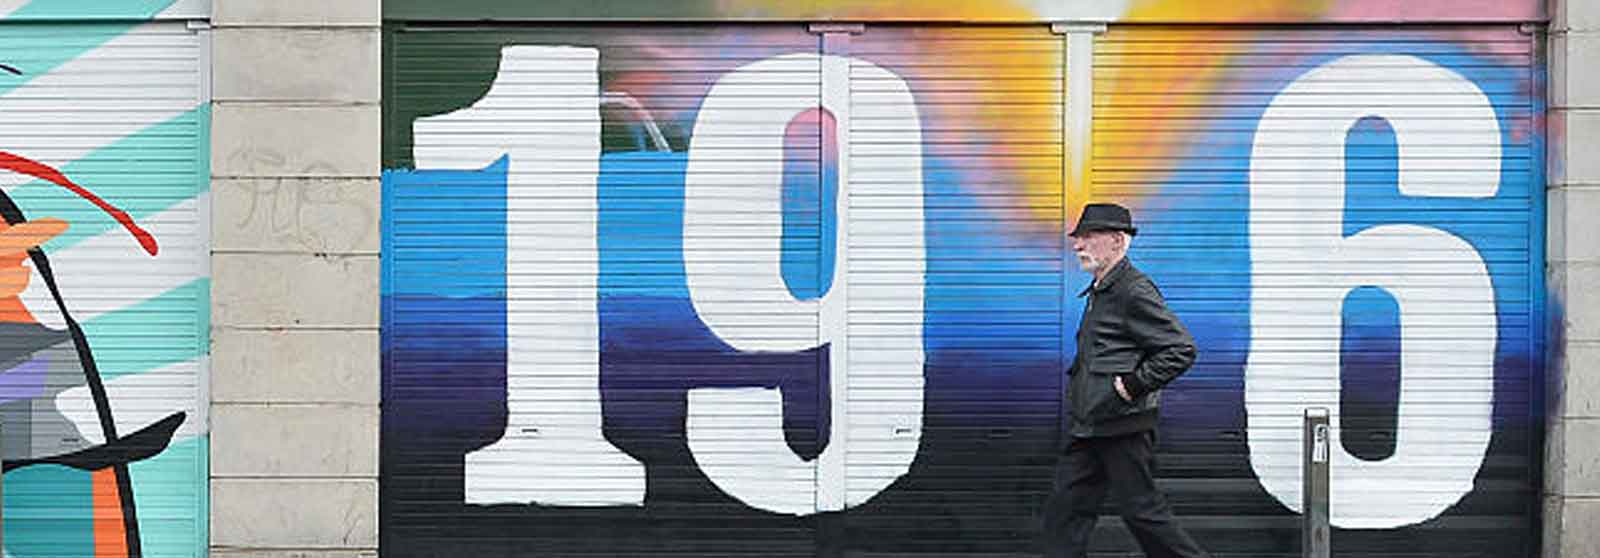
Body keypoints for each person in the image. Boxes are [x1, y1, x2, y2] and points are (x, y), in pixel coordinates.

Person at [1043, 202, 1209, 558]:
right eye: (1078, 237)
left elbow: (1180, 349)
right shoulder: (1102, 289)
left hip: (1122, 427)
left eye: (1089, 237)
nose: (1078, 245)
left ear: (1117, 241)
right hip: (1090, 425)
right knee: (1064, 515)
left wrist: (1130, 386)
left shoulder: (1132, 290)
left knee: (1144, 514)